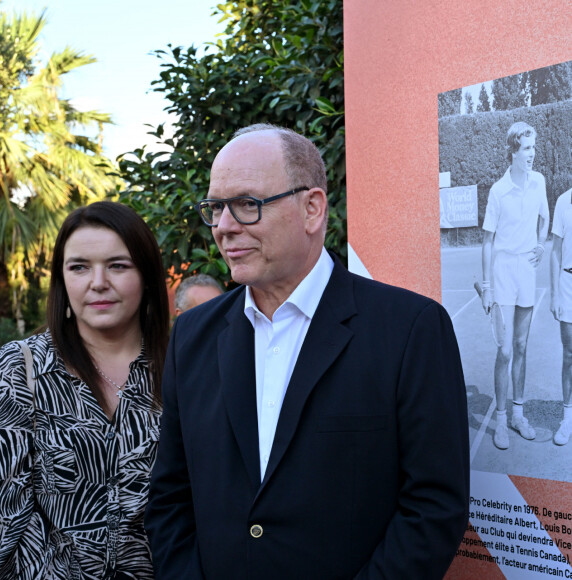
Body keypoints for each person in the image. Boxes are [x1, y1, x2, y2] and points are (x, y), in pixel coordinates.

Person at [145, 124, 469, 579]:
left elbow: (434, 507)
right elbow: (171, 496)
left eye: (246, 205)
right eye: (216, 207)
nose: (223, 227)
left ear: (312, 208)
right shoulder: (192, 336)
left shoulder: (410, 330)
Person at [0, 201, 169, 579]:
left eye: (118, 265)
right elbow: (1, 515)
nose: (98, 282)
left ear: (148, 275)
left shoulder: (183, 367)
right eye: (79, 267)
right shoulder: (19, 370)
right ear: (62, 279)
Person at [481, 121, 548, 450]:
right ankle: (502, 420)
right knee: (505, 350)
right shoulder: (498, 190)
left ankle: (518, 416)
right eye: (526, 149)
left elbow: (544, 218)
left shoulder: (539, 182)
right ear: (513, 152)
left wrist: (541, 243)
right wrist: (487, 286)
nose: (532, 154)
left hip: (527, 272)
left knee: (521, 347)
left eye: (533, 148)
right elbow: (487, 242)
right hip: (503, 272)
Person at [550, 186, 572, 445]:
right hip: (567, 284)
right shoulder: (564, 201)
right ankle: (567, 418)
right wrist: (555, 294)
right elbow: (555, 251)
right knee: (569, 354)